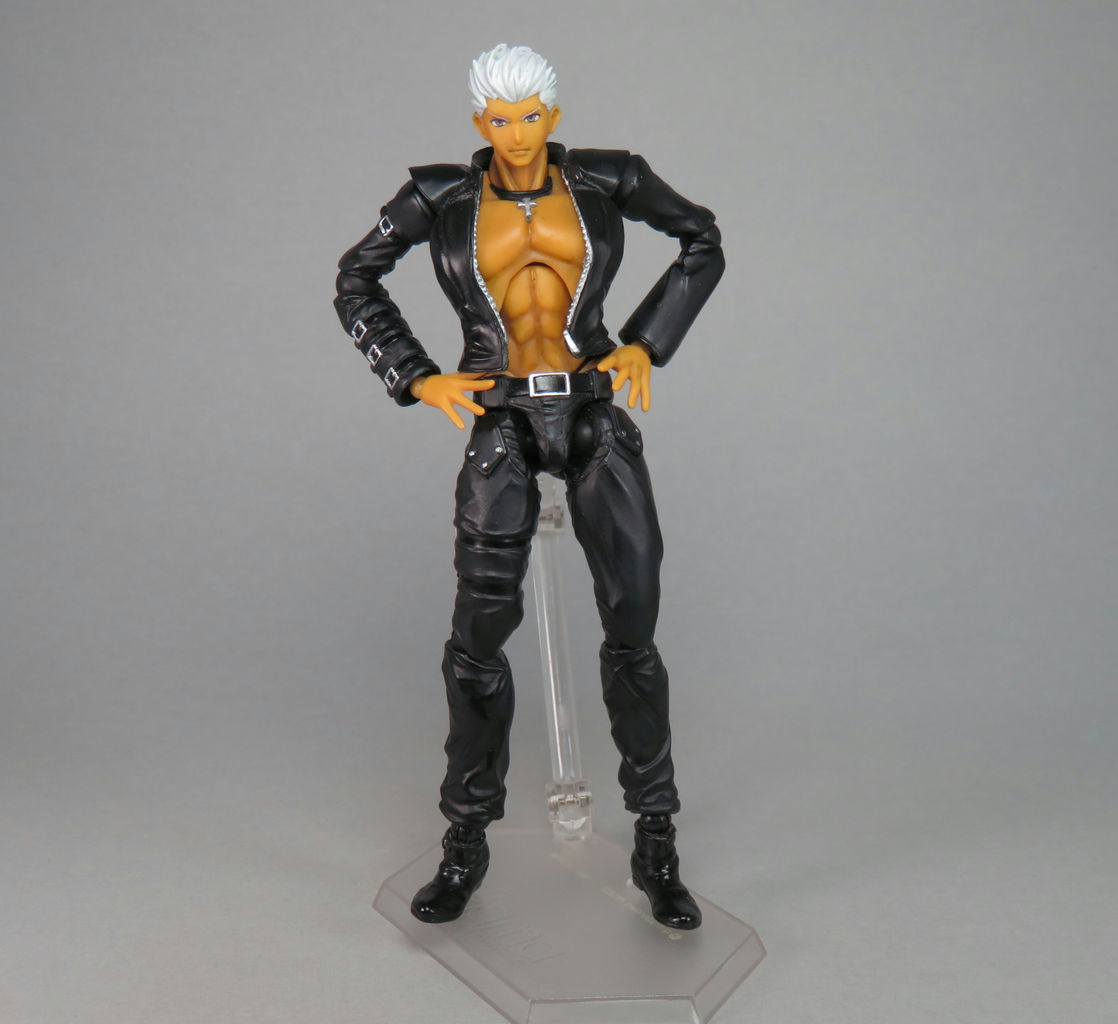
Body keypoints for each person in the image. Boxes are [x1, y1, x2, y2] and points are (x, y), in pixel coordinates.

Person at [334, 44, 724, 930]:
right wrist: (413, 374)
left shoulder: (610, 179)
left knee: (634, 629)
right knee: (477, 639)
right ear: (481, 121)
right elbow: (354, 278)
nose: (515, 134)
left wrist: (646, 342)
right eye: (499, 119)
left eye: (530, 116)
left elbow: (703, 237)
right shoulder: (440, 197)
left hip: (591, 408)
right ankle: (464, 839)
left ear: (554, 115)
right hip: (501, 414)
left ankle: (656, 840)